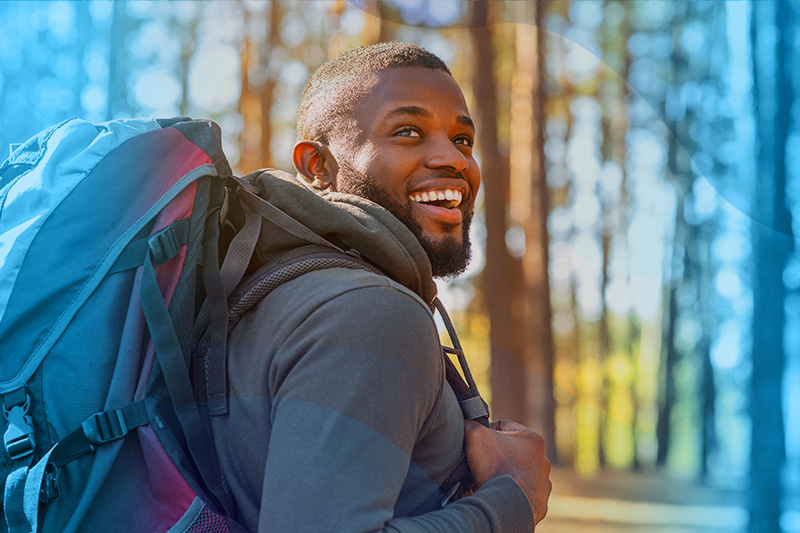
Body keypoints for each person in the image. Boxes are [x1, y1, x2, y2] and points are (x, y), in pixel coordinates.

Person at [211, 42, 552, 532]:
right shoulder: (371, 312)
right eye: (408, 132)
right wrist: (511, 501)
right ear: (317, 168)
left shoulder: (278, 291)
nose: (453, 160)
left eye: (462, 139)